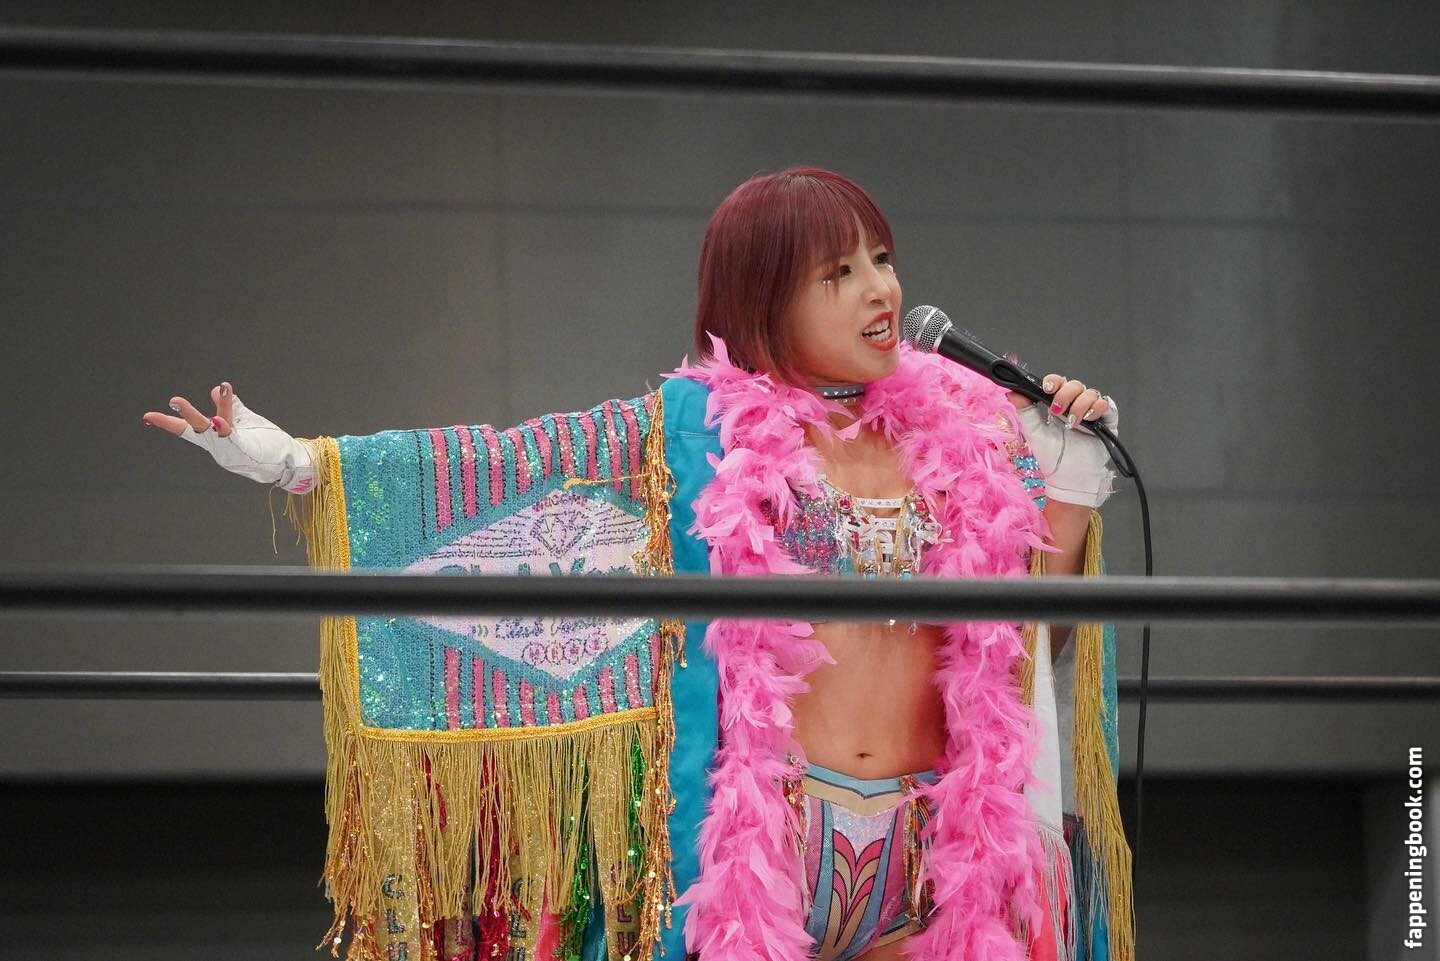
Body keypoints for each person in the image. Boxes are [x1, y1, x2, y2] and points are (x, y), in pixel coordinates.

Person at [143, 167, 1131, 961]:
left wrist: (1076, 470)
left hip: (931, 861)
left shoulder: (970, 435)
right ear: (763, 300)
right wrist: (302, 465)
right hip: (764, 853)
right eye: (838, 273)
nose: (882, 290)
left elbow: (1022, 644)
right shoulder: (684, 439)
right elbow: (502, 472)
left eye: (882, 259)